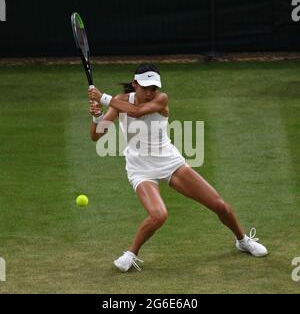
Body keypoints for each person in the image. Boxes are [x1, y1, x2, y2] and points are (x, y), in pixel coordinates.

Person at [88, 63, 268, 273]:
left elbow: (137, 112)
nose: (150, 92)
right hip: (140, 168)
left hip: (169, 163)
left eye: (153, 88)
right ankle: (130, 253)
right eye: (145, 87)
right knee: (159, 215)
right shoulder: (119, 101)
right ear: (135, 84)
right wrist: (97, 116)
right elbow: (96, 135)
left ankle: (243, 240)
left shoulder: (161, 99)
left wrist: (103, 98)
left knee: (220, 205)